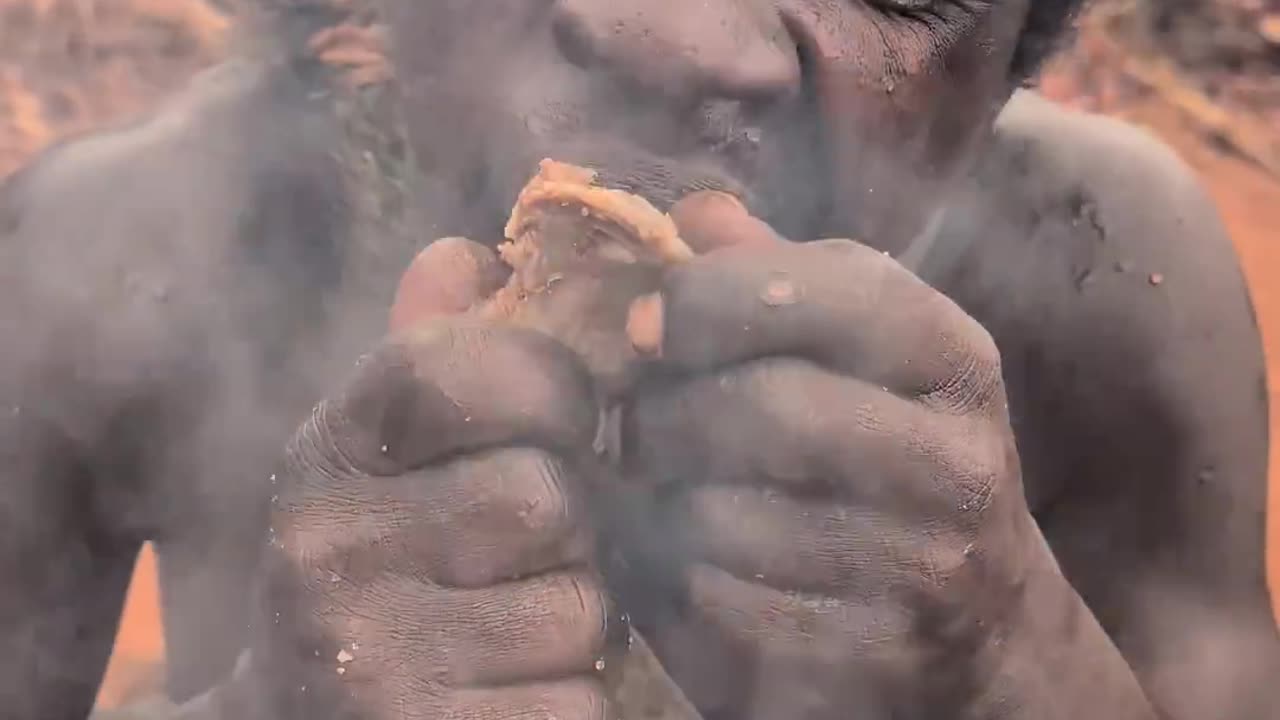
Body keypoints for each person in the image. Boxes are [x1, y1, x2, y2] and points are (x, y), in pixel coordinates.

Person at [2, 0, 1278, 718]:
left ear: (1008, 65)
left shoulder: (1096, 283)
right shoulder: (108, 265)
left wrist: (1016, 669)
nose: (675, 35)